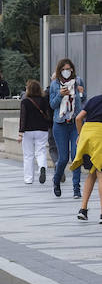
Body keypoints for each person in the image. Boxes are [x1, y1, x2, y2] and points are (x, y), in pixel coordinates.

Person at [49, 57, 86, 199]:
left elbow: (83, 101)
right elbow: (52, 104)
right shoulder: (54, 85)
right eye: (63, 69)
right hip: (60, 124)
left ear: (72, 70)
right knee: (63, 158)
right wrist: (60, 95)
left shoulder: (78, 81)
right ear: (59, 71)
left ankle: (76, 188)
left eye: (68, 69)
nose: (66, 72)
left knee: (77, 156)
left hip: (75, 124)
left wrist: (81, 93)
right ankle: (56, 180)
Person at [70, 89, 102, 221]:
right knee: (101, 173)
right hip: (100, 137)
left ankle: (83, 209)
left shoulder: (94, 100)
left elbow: (78, 118)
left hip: (87, 137)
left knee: (92, 173)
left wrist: (80, 134)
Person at [18, 79, 52, 186]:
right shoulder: (44, 100)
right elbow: (48, 114)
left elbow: (23, 117)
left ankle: (28, 178)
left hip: (28, 130)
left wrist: (20, 132)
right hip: (42, 129)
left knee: (28, 155)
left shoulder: (25, 101)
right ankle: (42, 166)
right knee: (40, 151)